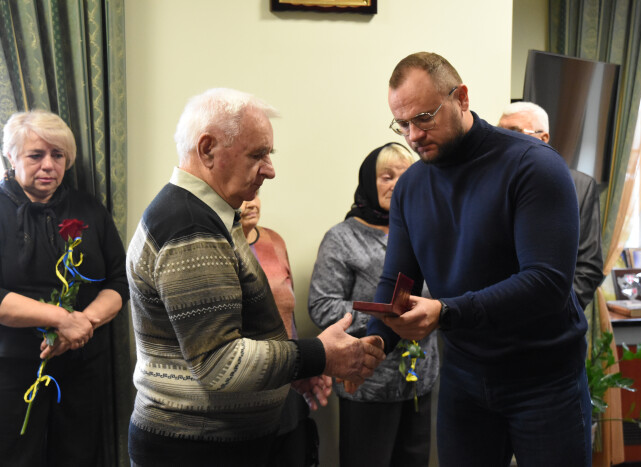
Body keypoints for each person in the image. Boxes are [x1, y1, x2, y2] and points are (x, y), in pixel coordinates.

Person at [126, 87, 385, 467]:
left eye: (269, 154)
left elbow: (235, 334)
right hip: (196, 449)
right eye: (257, 154)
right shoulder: (191, 226)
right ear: (208, 148)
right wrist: (318, 356)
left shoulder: (209, 213)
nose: (270, 169)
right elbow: (220, 364)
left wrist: (291, 371)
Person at [366, 52, 592, 466]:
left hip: (544, 381)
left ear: (462, 98)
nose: (412, 135)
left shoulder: (533, 166)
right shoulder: (411, 187)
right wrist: (374, 340)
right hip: (465, 380)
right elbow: (398, 281)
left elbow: (546, 283)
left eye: (424, 118)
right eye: (402, 124)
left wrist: (446, 312)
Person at [0, 110, 129, 466]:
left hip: (82, 365)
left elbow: (119, 280)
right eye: (35, 155)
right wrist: (59, 319)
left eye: (58, 156)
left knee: (78, 457)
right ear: (11, 156)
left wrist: (81, 324)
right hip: (12, 370)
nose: (48, 166)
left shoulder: (89, 208)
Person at [308, 142, 439, 467]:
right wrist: (386, 317)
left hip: (419, 378)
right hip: (366, 378)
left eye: (405, 175)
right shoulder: (342, 237)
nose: (396, 183)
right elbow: (323, 306)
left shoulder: (430, 231)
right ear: (369, 181)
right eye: (386, 176)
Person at [498, 101, 605, 309]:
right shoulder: (490, 184)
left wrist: (557, 315)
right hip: (495, 318)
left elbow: (588, 267)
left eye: (514, 132)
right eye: (500, 133)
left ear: (543, 138)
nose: (503, 141)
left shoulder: (580, 187)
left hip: (556, 324)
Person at [240, 192, 319, 466]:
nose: (250, 203)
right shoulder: (216, 248)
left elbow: (290, 316)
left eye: (256, 194)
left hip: (287, 380)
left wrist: (301, 368)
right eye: (243, 196)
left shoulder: (274, 240)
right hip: (244, 391)